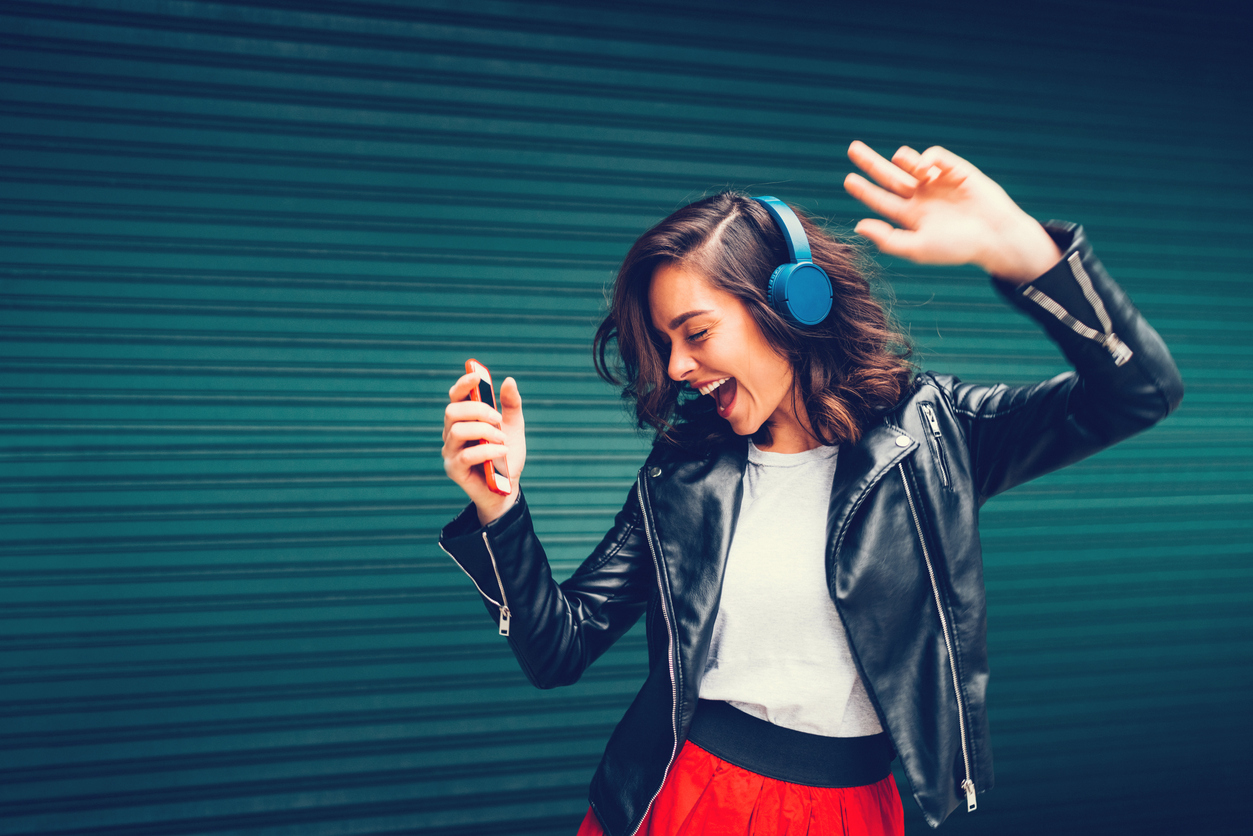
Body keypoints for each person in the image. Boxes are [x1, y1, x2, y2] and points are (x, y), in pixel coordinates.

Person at [438, 141, 1184, 835]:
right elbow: (557, 649)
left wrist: (1022, 252)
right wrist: (498, 508)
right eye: (665, 344)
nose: (674, 368)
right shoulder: (681, 471)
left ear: (792, 302)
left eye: (695, 334)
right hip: (683, 796)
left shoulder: (934, 434)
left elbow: (1138, 392)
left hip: (854, 808)